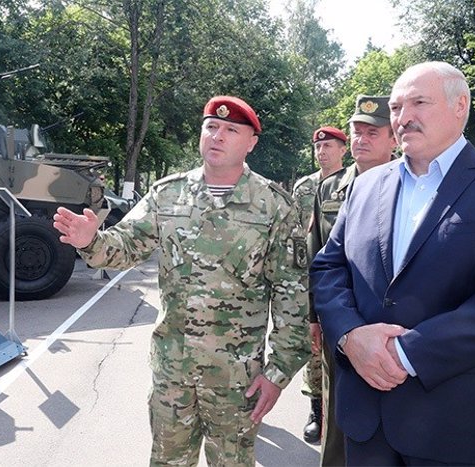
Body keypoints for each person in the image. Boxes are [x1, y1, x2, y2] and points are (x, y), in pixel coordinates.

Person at [310, 61, 475, 466]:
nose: (403, 118)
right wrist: (351, 337)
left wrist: (407, 353)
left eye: (419, 103)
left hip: (458, 426)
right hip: (366, 423)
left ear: (460, 105)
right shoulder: (366, 185)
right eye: (395, 108)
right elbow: (330, 267)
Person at [53, 95, 311, 466]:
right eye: (211, 127)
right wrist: (90, 240)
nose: (218, 136)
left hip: (235, 380)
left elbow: (292, 295)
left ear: (251, 142)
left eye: (231, 130)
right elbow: (126, 245)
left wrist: (278, 372)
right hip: (173, 373)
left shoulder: (274, 206)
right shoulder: (167, 194)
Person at [308, 96, 397, 466]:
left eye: (371, 132)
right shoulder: (330, 189)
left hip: (392, 319)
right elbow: (318, 255)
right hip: (340, 319)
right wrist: (315, 317)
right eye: (356, 131)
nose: (360, 139)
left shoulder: (413, 184)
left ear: (394, 139)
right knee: (340, 407)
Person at [292, 126, 347, 444]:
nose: (322, 152)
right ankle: (317, 410)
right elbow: (297, 234)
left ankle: (343, 412)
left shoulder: (354, 182)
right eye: (318, 147)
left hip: (343, 279)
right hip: (310, 277)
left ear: (343, 149)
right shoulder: (304, 188)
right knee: (314, 349)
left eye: (329, 146)